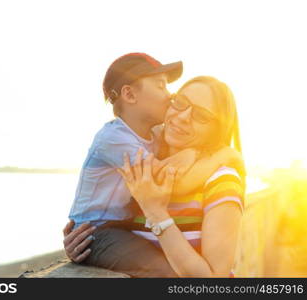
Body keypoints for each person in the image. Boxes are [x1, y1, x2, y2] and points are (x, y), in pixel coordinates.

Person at [67, 52, 243, 277]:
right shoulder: (127, 141)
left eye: (200, 116)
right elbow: (163, 180)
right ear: (129, 94)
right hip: (101, 233)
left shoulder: (220, 179)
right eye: (179, 101)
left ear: (217, 127)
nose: (180, 114)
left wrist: (216, 155)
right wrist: (222, 155)